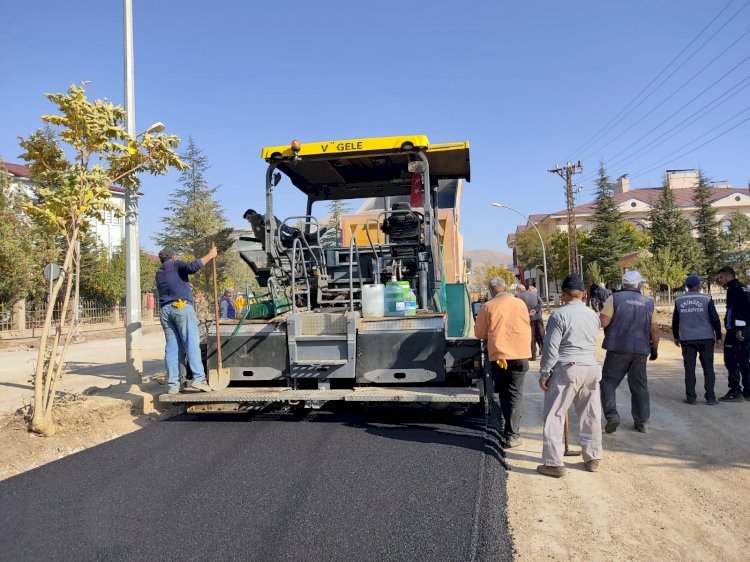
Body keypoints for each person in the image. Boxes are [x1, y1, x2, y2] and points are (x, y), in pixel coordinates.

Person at [537, 274, 603, 478]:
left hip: (568, 368)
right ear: (583, 294)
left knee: (555, 414)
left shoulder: (559, 315)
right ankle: (592, 457)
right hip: (591, 367)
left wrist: (545, 373)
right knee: (590, 413)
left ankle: (554, 463)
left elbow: (550, 348)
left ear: (564, 294)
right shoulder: (593, 315)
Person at [474, 276, 532, 448]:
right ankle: (512, 433)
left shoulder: (488, 306)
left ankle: (511, 432)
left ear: (491, 290)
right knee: (515, 393)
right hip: (521, 355)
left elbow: (479, 333)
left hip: (500, 357)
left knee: (505, 394)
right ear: (504, 288)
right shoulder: (520, 303)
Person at [599, 270, 659, 433]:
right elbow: (654, 329)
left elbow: (603, 322)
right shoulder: (648, 302)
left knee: (608, 382)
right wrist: (654, 348)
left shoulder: (614, 299)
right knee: (639, 385)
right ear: (639, 285)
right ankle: (642, 422)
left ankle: (612, 415)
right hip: (640, 349)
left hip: (618, 348)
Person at [156, 246, 217, 394]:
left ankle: (173, 385)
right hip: (181, 308)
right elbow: (193, 267)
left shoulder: (159, 273)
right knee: (191, 343)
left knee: (172, 348)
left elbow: (171, 285)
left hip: (165, 311)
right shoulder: (176, 264)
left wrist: (185, 285)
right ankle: (199, 379)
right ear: (173, 257)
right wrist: (210, 255)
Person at [672, 275, 723, 405]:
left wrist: (676, 336)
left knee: (689, 368)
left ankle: (691, 397)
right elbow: (715, 318)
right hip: (706, 338)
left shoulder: (679, 300)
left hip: (687, 339)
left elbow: (675, 321)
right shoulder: (706, 298)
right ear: (697, 285)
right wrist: (719, 335)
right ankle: (710, 397)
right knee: (708, 368)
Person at [716, 266, 750, 401]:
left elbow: (740, 310)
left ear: (729, 275)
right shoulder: (744, 288)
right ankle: (748, 390)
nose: (719, 280)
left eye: (721, 277)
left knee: (731, 360)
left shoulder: (734, 289)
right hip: (746, 329)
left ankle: (735, 390)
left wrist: (738, 329)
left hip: (737, 331)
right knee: (744, 360)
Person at [514, 284, 544, 360]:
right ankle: (545, 353)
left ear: (518, 290)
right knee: (541, 336)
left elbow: (517, 309)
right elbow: (541, 303)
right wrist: (534, 310)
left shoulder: (517, 296)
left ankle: (533, 356)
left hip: (527, 319)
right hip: (538, 318)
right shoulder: (534, 293)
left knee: (531, 337)